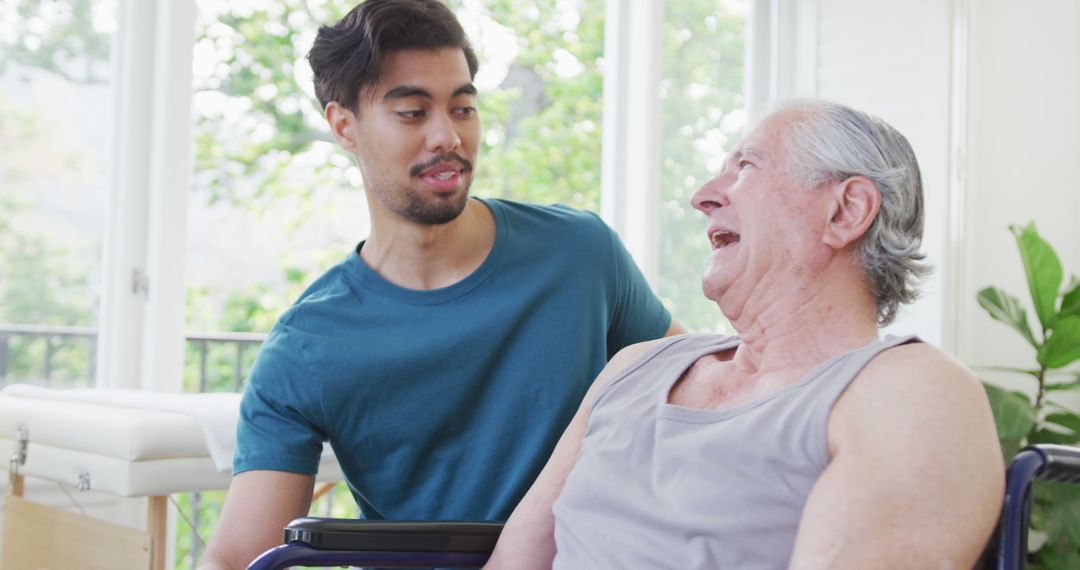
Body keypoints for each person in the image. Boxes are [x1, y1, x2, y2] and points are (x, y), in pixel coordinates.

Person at [198, 1, 683, 568]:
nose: (447, 136)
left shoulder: (581, 256)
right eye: (411, 112)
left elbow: (698, 391)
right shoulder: (307, 347)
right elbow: (237, 559)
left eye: (463, 107)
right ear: (344, 126)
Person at [484, 100, 1004, 569]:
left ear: (845, 212)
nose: (702, 196)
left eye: (745, 167)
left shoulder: (911, 391)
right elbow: (513, 562)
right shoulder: (636, 366)